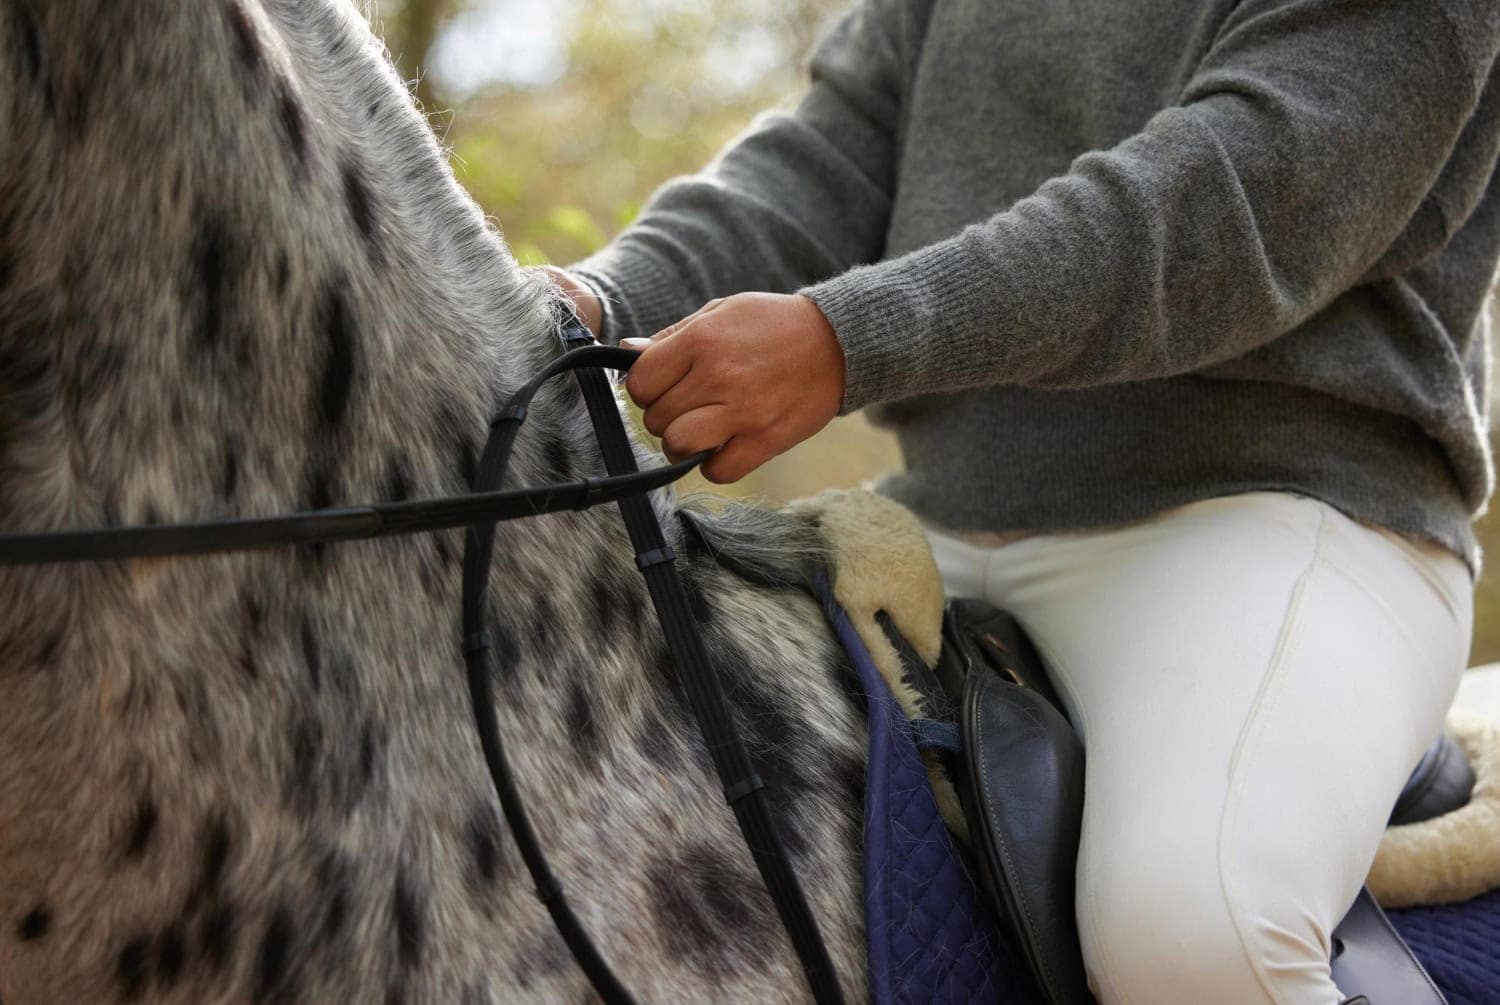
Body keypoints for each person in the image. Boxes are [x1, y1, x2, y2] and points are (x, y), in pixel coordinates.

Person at [545, 0, 1500, 1001]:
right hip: (934, 523)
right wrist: (591, 304)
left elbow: (1237, 199)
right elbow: (825, 164)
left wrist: (847, 340)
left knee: (1193, 933)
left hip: (1284, 515)